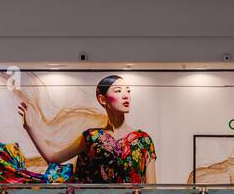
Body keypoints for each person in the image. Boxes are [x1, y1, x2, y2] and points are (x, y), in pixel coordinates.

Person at [17, 75, 156, 184]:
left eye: (128, 91)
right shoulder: (92, 137)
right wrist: (30, 128)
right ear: (102, 99)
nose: (126, 95)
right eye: (118, 91)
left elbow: (151, 189)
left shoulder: (143, 140)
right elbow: (53, 159)